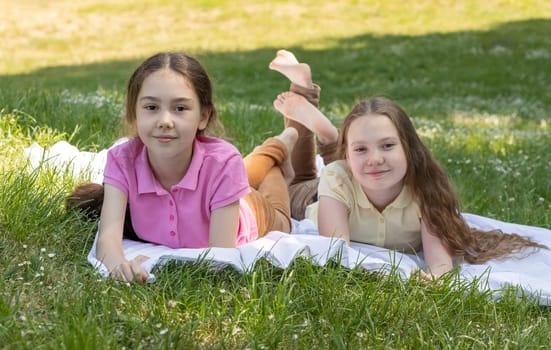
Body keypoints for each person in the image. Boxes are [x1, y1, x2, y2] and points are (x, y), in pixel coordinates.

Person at [270, 52, 547, 279]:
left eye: (388, 146)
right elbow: (336, 253)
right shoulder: (337, 176)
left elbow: (440, 265)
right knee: (298, 177)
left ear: (409, 148)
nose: (377, 157)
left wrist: (436, 281)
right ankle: (307, 101)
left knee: (359, 163)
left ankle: (332, 137)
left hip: (350, 171)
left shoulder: (426, 190)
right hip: (317, 196)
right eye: (363, 148)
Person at [66, 51, 299, 283]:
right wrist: (120, 267)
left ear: (203, 117)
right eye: (151, 107)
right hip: (224, 188)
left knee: (277, 199)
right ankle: (275, 146)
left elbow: (220, 257)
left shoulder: (223, 162)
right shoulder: (122, 160)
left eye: (180, 109)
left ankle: (280, 146)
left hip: (255, 212)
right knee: (240, 171)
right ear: (133, 114)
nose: (165, 121)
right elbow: (107, 238)